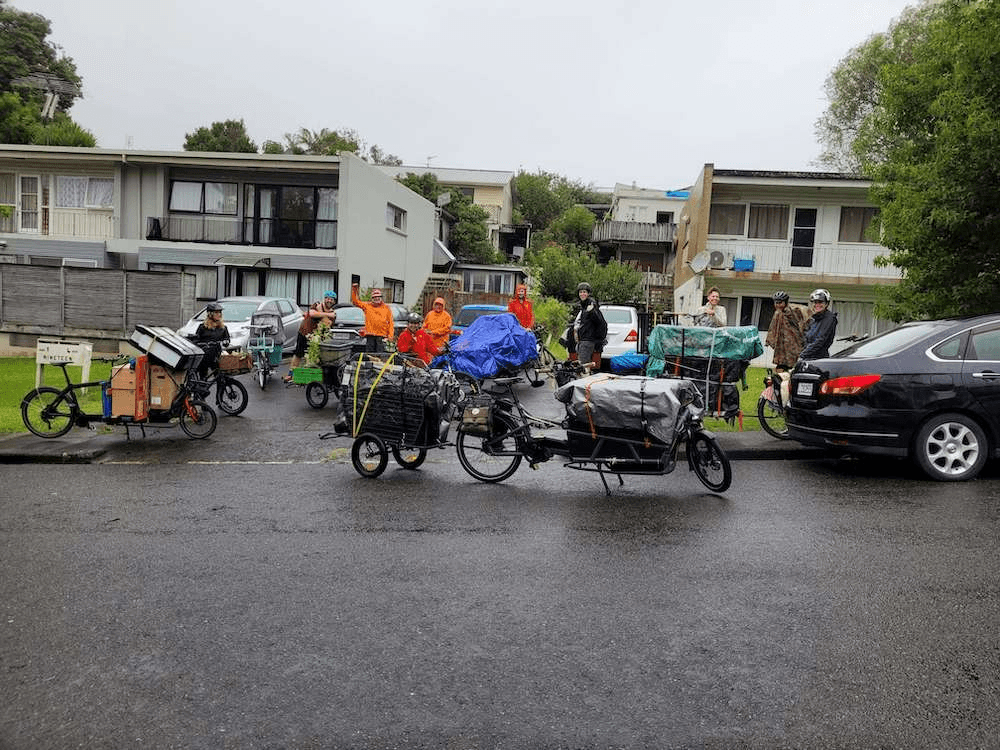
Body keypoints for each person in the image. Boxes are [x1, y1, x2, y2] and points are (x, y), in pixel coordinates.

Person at [284, 290, 338, 382]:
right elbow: (312, 313)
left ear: (334, 301)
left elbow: (329, 325)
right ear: (324, 299)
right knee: (298, 354)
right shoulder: (317, 305)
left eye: (331, 299)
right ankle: (291, 374)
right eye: (327, 299)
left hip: (316, 337)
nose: (329, 301)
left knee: (314, 356)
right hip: (305, 332)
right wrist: (328, 314)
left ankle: (308, 376)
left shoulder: (333, 312)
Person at [570, 282, 607, 370]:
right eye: (580, 292)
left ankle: (583, 383)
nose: (582, 294)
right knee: (584, 365)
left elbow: (599, 321)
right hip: (583, 340)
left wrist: (592, 311)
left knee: (583, 366)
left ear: (588, 293)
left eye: (584, 292)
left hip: (587, 340)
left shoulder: (591, 306)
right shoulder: (584, 306)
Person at [765, 291, 806, 370]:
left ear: (786, 302)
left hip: (793, 346)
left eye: (780, 303)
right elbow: (772, 327)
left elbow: (801, 326)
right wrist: (770, 340)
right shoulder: (777, 313)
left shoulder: (793, 311)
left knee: (793, 367)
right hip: (781, 346)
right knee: (780, 367)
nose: (778, 305)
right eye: (776, 303)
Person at [351, 284, 395, 352]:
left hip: (382, 336)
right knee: (370, 356)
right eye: (375, 297)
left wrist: (390, 335)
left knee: (380, 356)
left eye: (378, 297)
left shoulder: (387, 308)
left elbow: (391, 322)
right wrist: (354, 290)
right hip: (370, 335)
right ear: (372, 298)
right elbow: (355, 302)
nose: (376, 298)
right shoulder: (367, 306)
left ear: (381, 298)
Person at [192, 302, 230, 378]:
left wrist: (226, 341)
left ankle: (221, 389)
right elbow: (196, 340)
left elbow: (227, 339)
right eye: (216, 312)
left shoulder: (223, 328)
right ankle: (201, 385)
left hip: (217, 355)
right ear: (210, 314)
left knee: (220, 376)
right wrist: (201, 344)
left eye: (220, 312)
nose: (219, 314)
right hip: (205, 355)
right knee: (203, 375)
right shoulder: (202, 327)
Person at [800, 288, 838, 361]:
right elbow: (806, 338)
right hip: (808, 358)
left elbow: (820, 340)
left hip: (819, 359)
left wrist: (803, 354)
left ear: (826, 304)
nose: (817, 305)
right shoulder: (814, 319)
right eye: (815, 302)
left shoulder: (829, 318)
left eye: (820, 302)